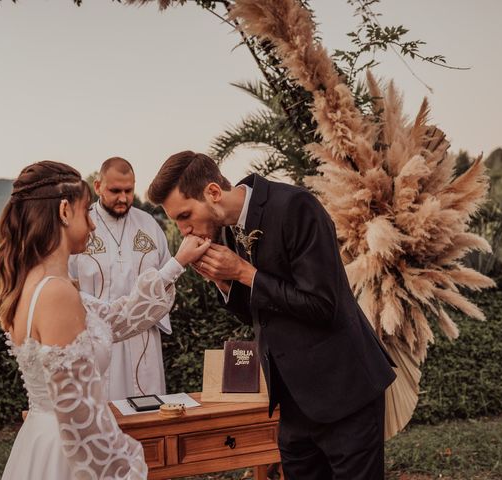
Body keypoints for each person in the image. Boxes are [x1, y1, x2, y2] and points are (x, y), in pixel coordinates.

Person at [148, 151, 396, 480]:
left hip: (344, 392)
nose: (183, 230)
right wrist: (224, 282)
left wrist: (245, 273)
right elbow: (258, 314)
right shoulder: (223, 231)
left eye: (184, 215)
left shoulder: (296, 207)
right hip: (292, 404)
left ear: (212, 193)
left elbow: (323, 306)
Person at [0, 160, 209, 480]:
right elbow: (79, 418)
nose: (93, 225)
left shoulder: (33, 284)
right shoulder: (57, 294)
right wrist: (127, 468)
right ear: (65, 211)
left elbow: (120, 316)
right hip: (69, 457)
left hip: (43, 443)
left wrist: (175, 265)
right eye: (85, 213)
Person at [69, 157, 172, 400]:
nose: (123, 198)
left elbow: (167, 281)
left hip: (144, 337)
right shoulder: (81, 226)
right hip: (96, 338)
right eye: (115, 190)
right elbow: (67, 284)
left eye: (129, 190)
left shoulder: (148, 225)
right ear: (97, 187)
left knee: (148, 411)